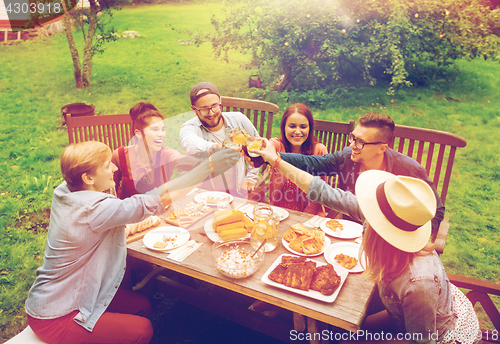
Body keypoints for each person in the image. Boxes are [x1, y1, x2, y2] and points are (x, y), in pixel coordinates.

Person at [254, 144, 480, 344]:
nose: (366, 215)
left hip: (438, 336)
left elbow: (419, 340)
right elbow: (324, 192)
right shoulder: (384, 214)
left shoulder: (418, 283)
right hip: (399, 312)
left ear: (384, 232)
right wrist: (276, 160)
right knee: (344, 328)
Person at [24, 141, 239, 344]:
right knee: (142, 329)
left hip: (82, 293)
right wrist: (206, 169)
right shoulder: (92, 209)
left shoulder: (66, 190)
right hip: (55, 313)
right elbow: (157, 199)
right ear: (88, 178)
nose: (115, 168)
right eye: (108, 166)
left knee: (141, 306)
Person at [274, 112, 444, 236]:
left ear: (382, 148)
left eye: (361, 142)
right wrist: (274, 156)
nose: (353, 145)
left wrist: (416, 238)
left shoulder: (408, 171)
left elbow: (436, 210)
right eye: (353, 137)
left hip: (391, 238)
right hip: (349, 232)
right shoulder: (348, 156)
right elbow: (314, 164)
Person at [179, 82, 260, 198]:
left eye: (215, 106)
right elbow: (190, 143)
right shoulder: (189, 128)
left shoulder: (239, 119)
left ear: (220, 101)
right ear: (194, 109)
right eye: (204, 109)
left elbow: (256, 148)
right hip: (206, 195)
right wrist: (215, 148)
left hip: (238, 193)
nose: (211, 113)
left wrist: (251, 178)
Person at [112, 102, 201, 199]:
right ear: (138, 134)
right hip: (127, 212)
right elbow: (110, 189)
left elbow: (180, 160)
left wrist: (207, 163)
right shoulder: (120, 155)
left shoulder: (165, 154)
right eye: (155, 129)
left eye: (162, 129)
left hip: (158, 212)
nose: (161, 134)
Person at [267, 103, 327, 215]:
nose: (298, 132)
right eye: (292, 126)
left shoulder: (319, 151)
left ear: (310, 128)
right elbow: (268, 146)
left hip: (309, 216)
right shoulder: (278, 146)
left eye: (303, 127)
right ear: (284, 127)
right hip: (279, 213)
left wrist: (303, 217)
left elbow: (319, 194)